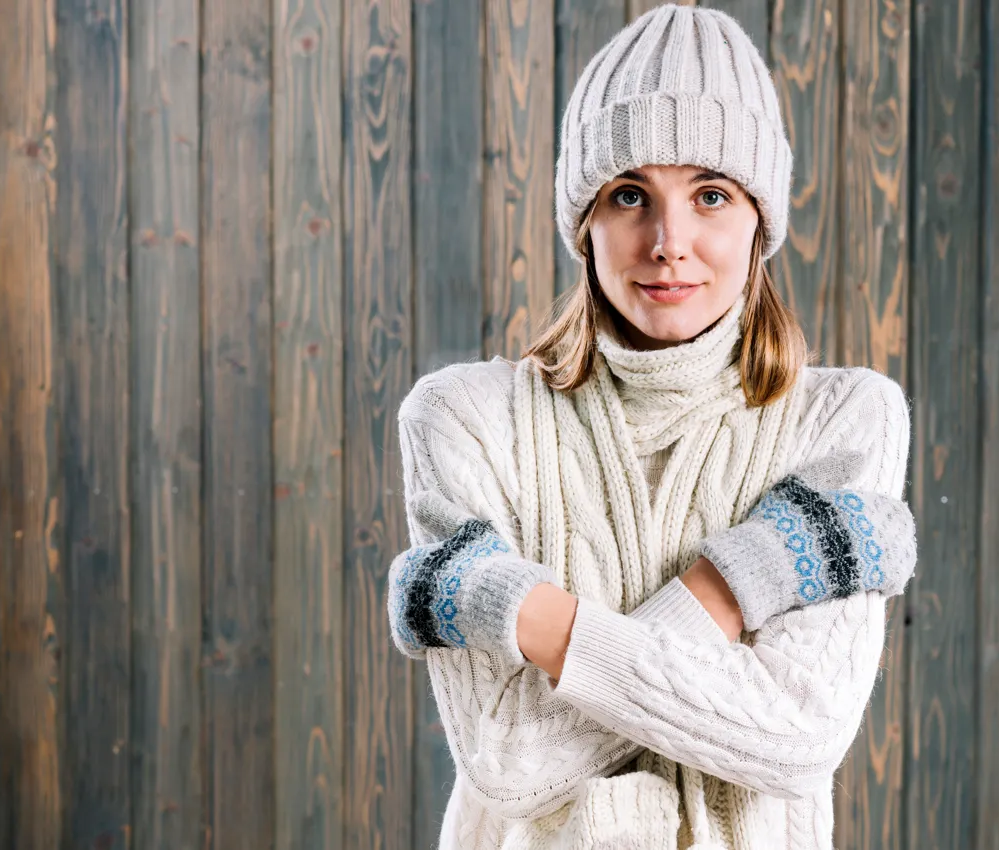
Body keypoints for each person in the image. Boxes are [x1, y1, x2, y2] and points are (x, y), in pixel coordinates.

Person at [386, 5, 916, 848]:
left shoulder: (844, 421)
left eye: (711, 195)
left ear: (760, 219)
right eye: (629, 195)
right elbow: (511, 763)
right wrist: (738, 586)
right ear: (584, 223)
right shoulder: (466, 420)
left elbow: (800, 737)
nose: (670, 241)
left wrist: (539, 618)